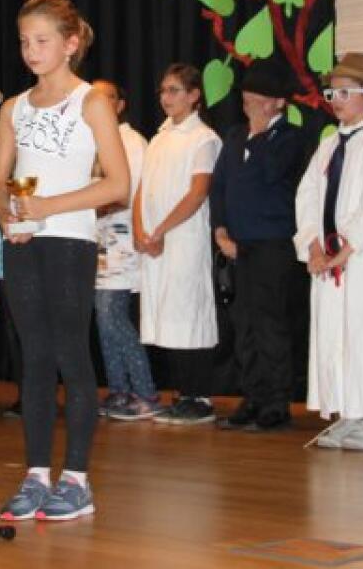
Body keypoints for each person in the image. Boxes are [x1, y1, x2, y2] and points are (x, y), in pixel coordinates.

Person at [0, 0, 129, 522]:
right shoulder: (13, 108)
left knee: (71, 352)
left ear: (70, 44)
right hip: (23, 244)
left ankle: (76, 480)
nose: (31, 50)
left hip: (70, 241)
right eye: (24, 41)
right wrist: (7, 215)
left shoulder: (91, 102)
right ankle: (35, 475)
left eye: (42, 40)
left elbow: (118, 184)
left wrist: (48, 206)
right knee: (36, 358)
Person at [294, 53, 363, 451]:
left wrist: (341, 253)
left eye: (345, 93)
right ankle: (347, 411)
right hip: (328, 258)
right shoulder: (327, 147)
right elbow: (307, 196)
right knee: (334, 333)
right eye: (331, 93)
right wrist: (313, 245)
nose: (336, 101)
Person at [209, 59, 308, 432]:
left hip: (273, 243)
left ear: (278, 102)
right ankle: (252, 395)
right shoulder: (235, 136)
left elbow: (272, 175)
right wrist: (220, 229)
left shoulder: (290, 138)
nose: (249, 101)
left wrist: (262, 133)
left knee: (270, 323)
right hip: (237, 244)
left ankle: (276, 402)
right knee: (243, 323)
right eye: (247, 95)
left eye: (259, 96)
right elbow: (220, 186)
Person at [135, 63, 222, 426]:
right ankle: (181, 393)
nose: (165, 97)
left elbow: (198, 193)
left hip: (183, 239)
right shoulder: (158, 138)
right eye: (163, 90)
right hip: (154, 241)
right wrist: (140, 231)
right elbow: (142, 188)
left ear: (194, 95)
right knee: (164, 316)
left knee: (188, 313)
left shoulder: (204, 138)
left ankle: (199, 396)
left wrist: (161, 231)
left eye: (174, 90)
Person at [90, 80, 160, 422]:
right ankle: (119, 390)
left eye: (108, 99)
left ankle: (145, 392)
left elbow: (129, 192)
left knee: (113, 316)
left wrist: (83, 206)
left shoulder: (131, 142)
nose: (100, 105)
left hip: (121, 241)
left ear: (120, 106)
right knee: (104, 320)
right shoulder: (89, 141)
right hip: (95, 242)